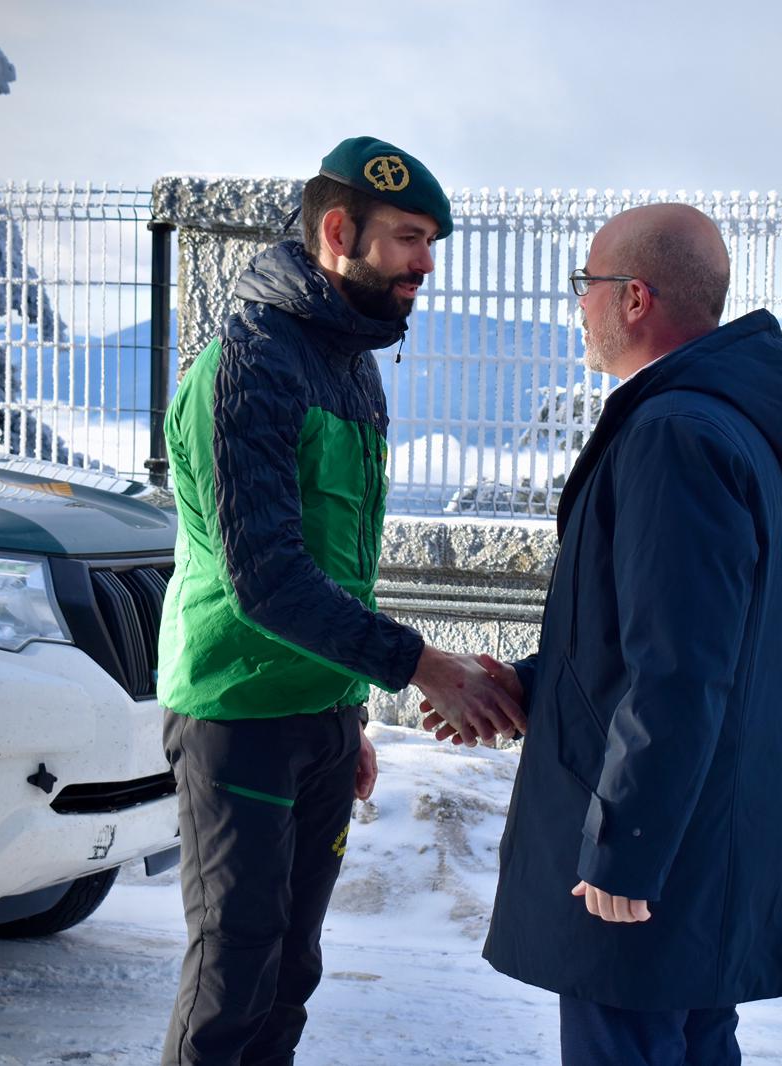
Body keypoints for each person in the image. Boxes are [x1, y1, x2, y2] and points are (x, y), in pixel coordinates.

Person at [156, 135, 526, 1066]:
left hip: (317, 714)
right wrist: (424, 667)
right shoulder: (251, 364)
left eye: (431, 240)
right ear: (337, 230)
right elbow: (270, 578)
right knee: (233, 971)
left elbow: (342, 563)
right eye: (408, 237)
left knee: (291, 973)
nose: (426, 263)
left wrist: (344, 713)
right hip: (237, 710)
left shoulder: (351, 362)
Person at [452, 202, 782, 1065]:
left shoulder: (675, 433)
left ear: (634, 298)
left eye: (586, 284)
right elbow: (651, 636)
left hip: (652, 867)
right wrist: (535, 683)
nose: (578, 304)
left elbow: (682, 670)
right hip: (687, 851)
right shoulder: (712, 420)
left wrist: (626, 848)